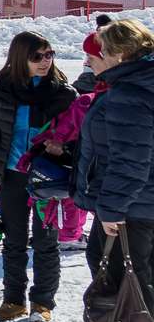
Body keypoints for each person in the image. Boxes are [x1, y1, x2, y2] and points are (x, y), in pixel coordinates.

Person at [0, 30, 77, 322]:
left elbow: (79, 137)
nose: (45, 61)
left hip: (48, 178)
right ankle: (13, 301)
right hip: (12, 175)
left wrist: (62, 149)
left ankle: (42, 303)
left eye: (49, 55)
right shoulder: (0, 92)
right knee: (13, 240)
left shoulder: (64, 94)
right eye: (37, 57)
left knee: (45, 240)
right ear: (20, 58)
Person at [75, 18, 154, 322]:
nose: (92, 59)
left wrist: (112, 209)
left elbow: (131, 160)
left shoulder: (130, 95)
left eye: (100, 52)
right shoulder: (137, 84)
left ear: (120, 55)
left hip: (134, 204)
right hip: (140, 202)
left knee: (131, 278)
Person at [25, 31, 101, 251]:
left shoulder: (73, 96)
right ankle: (68, 236)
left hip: (62, 154)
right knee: (70, 200)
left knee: (61, 198)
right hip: (71, 156)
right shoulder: (85, 101)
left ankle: (66, 233)